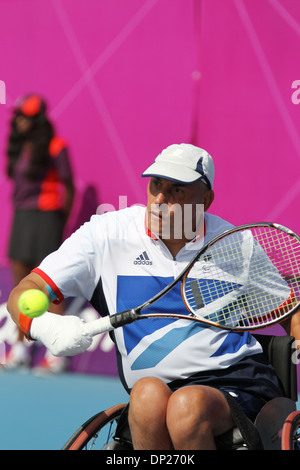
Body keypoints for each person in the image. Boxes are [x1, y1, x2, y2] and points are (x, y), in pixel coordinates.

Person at [6, 143, 300, 449]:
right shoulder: (107, 234)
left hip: (235, 383)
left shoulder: (236, 244)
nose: (160, 199)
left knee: (187, 406)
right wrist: (44, 326)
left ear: (206, 200)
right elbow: (26, 290)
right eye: (155, 185)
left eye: (177, 191)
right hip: (157, 387)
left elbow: (291, 312)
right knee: (145, 396)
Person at [5, 93, 74, 372]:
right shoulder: (20, 148)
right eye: (18, 116)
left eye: (26, 116)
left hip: (47, 216)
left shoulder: (57, 146)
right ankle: (20, 349)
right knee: (19, 284)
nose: (19, 120)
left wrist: (60, 221)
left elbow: (68, 186)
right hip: (22, 217)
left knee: (51, 285)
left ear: (37, 121)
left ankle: (57, 355)